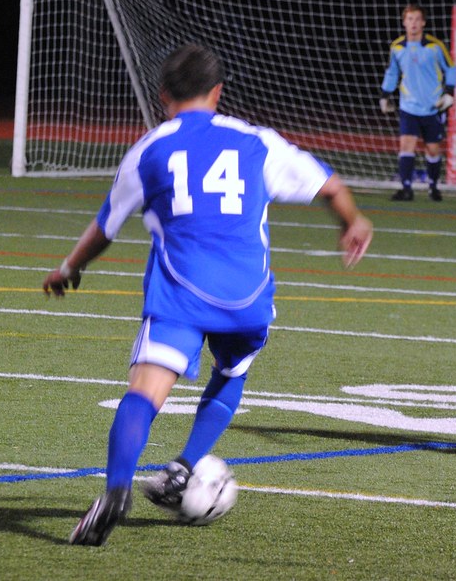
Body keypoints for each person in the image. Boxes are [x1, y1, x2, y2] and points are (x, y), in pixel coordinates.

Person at [43, 43, 373, 545]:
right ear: (217, 92)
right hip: (248, 296)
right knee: (232, 370)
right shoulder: (259, 142)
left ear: (162, 98)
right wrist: (353, 221)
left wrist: (70, 267)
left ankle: (115, 490)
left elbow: (104, 228)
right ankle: (185, 466)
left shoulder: (149, 149)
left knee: (145, 391)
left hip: (182, 291)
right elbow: (330, 186)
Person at [379, 3, 456, 202]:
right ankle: (406, 189)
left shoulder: (435, 46)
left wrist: (449, 92)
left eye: (417, 19)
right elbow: (392, 72)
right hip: (408, 106)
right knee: (406, 145)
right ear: (404, 22)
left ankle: (433, 187)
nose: (413, 23)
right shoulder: (397, 47)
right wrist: (385, 95)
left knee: (433, 149)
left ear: (423, 22)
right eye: (409, 19)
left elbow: (450, 68)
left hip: (433, 106)